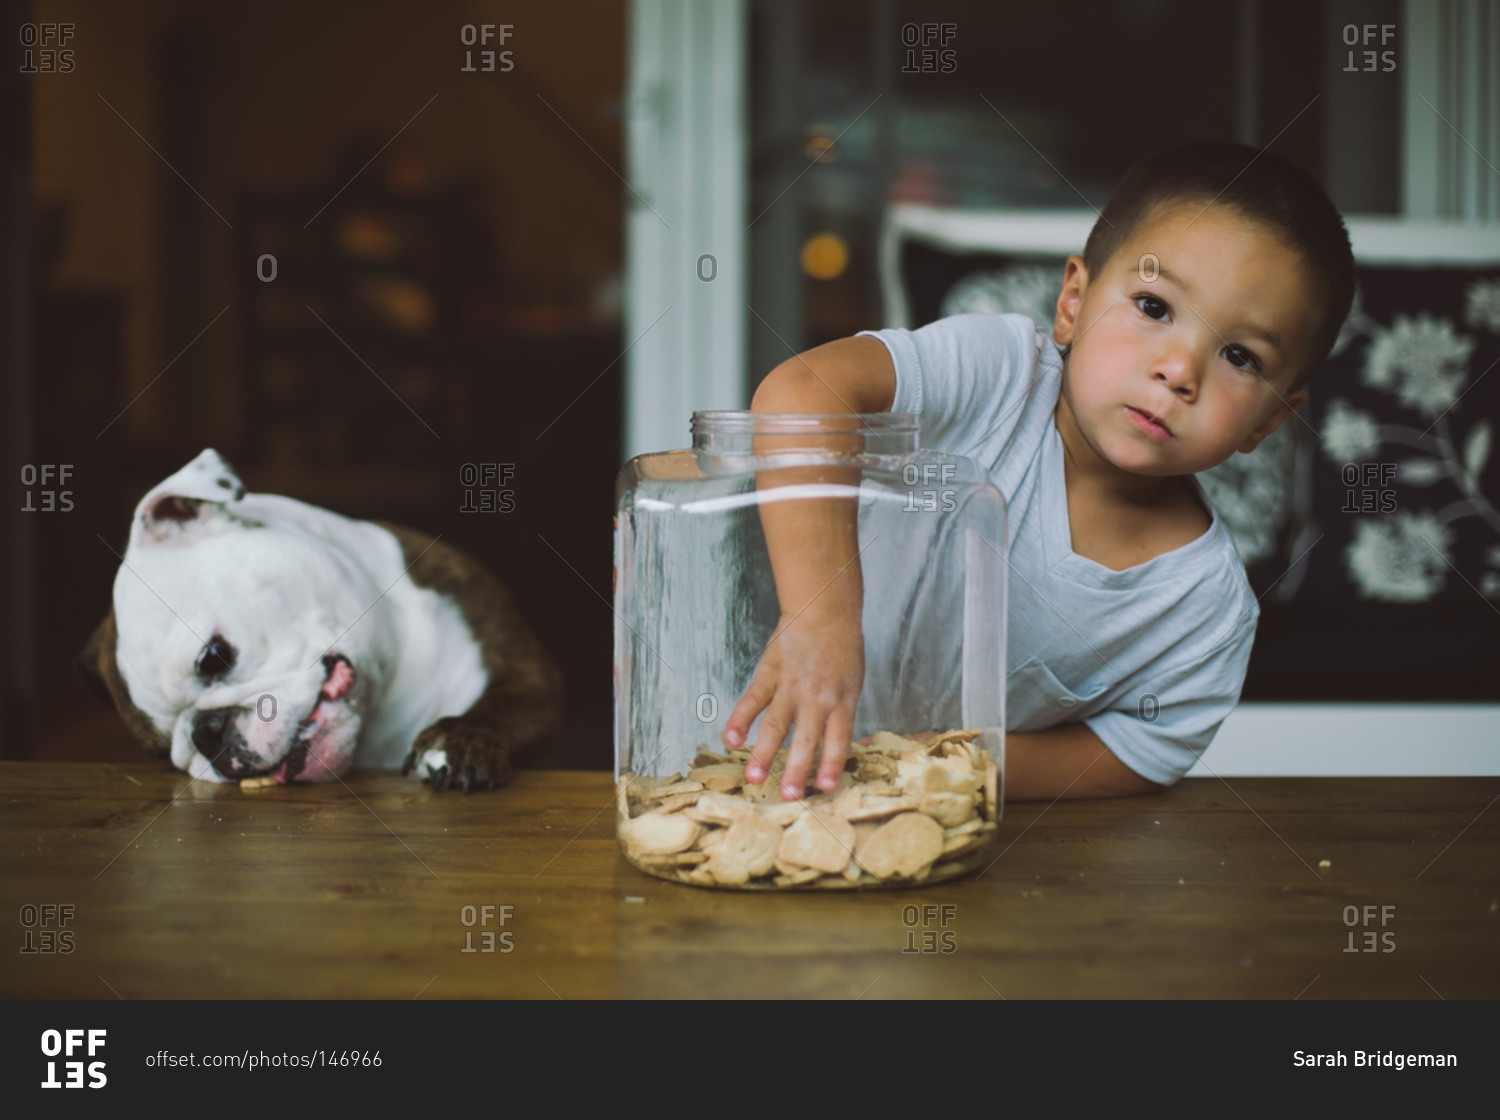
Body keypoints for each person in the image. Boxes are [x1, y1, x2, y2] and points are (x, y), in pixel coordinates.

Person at [724, 142, 1356, 802]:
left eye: (1238, 355)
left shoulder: (1203, 607)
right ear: (1073, 303)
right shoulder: (999, 375)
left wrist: (940, 769)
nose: (1179, 369)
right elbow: (803, 392)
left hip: (945, 845)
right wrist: (821, 622)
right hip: (750, 758)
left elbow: (1142, 751)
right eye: (1154, 307)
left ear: (1270, 421)